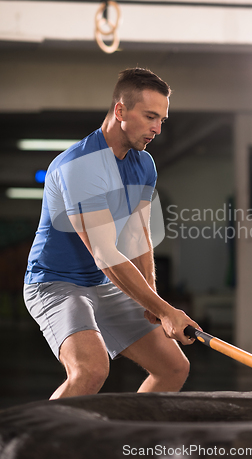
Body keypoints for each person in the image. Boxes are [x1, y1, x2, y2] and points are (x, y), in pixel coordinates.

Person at [24, 67, 200, 399]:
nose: (157, 129)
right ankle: (36, 446)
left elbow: (137, 236)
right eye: (150, 117)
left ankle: (130, 444)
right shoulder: (81, 165)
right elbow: (105, 253)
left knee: (174, 367)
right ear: (120, 111)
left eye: (162, 120)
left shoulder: (143, 164)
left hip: (103, 284)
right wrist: (165, 310)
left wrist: (151, 297)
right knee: (90, 370)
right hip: (56, 283)